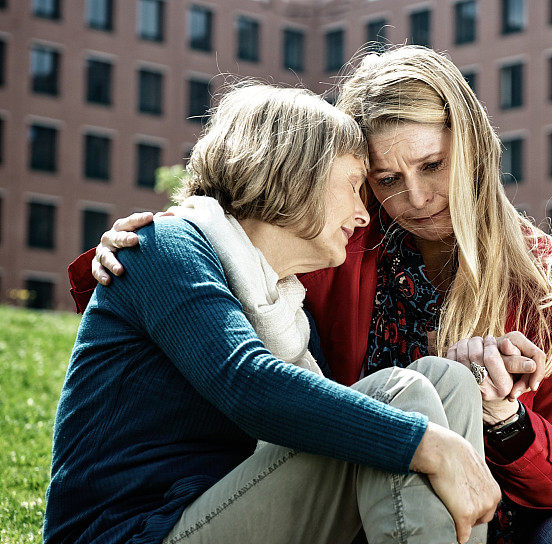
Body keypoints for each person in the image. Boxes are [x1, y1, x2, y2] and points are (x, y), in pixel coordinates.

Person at [71, 47, 552, 544]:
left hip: (516, 508)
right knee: (406, 393)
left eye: (433, 165)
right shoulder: (335, 242)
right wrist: (136, 241)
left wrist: (505, 415)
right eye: (384, 180)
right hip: (352, 492)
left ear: (475, 146)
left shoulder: (546, 275)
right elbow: (236, 242)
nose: (415, 197)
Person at [45, 83, 502, 544]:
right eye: (352, 186)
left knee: (449, 381)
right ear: (297, 174)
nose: (365, 215)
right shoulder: (166, 248)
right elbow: (247, 384)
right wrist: (431, 447)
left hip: (219, 509)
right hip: (136, 531)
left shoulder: (286, 310)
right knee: (397, 399)